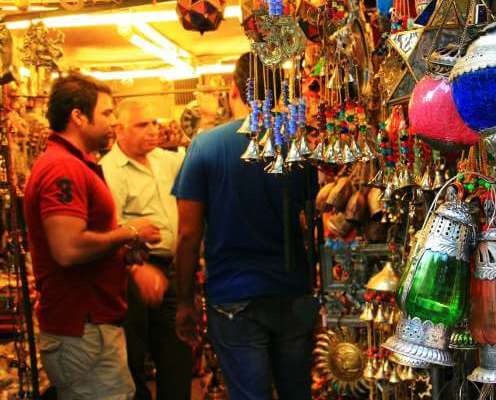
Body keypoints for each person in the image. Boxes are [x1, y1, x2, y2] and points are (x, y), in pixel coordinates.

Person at [172, 52, 320, 400]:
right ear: (282, 89)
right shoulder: (298, 146)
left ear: (234, 90)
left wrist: (183, 301)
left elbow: (188, 234)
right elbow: (310, 222)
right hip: (292, 291)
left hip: (233, 297)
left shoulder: (206, 147)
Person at [23, 73, 162, 399]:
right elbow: (68, 249)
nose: (113, 122)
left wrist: (129, 259)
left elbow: (87, 239)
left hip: (90, 326)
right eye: (107, 113)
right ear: (78, 117)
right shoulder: (62, 168)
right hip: (82, 329)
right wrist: (129, 230)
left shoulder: (74, 164)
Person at [100, 99, 192, 400]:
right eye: (142, 125)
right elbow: (108, 228)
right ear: (119, 129)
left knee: (176, 355)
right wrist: (136, 265)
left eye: (154, 123)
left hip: (170, 268)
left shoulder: (166, 161)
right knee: (133, 358)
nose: (153, 130)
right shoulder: (110, 170)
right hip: (132, 272)